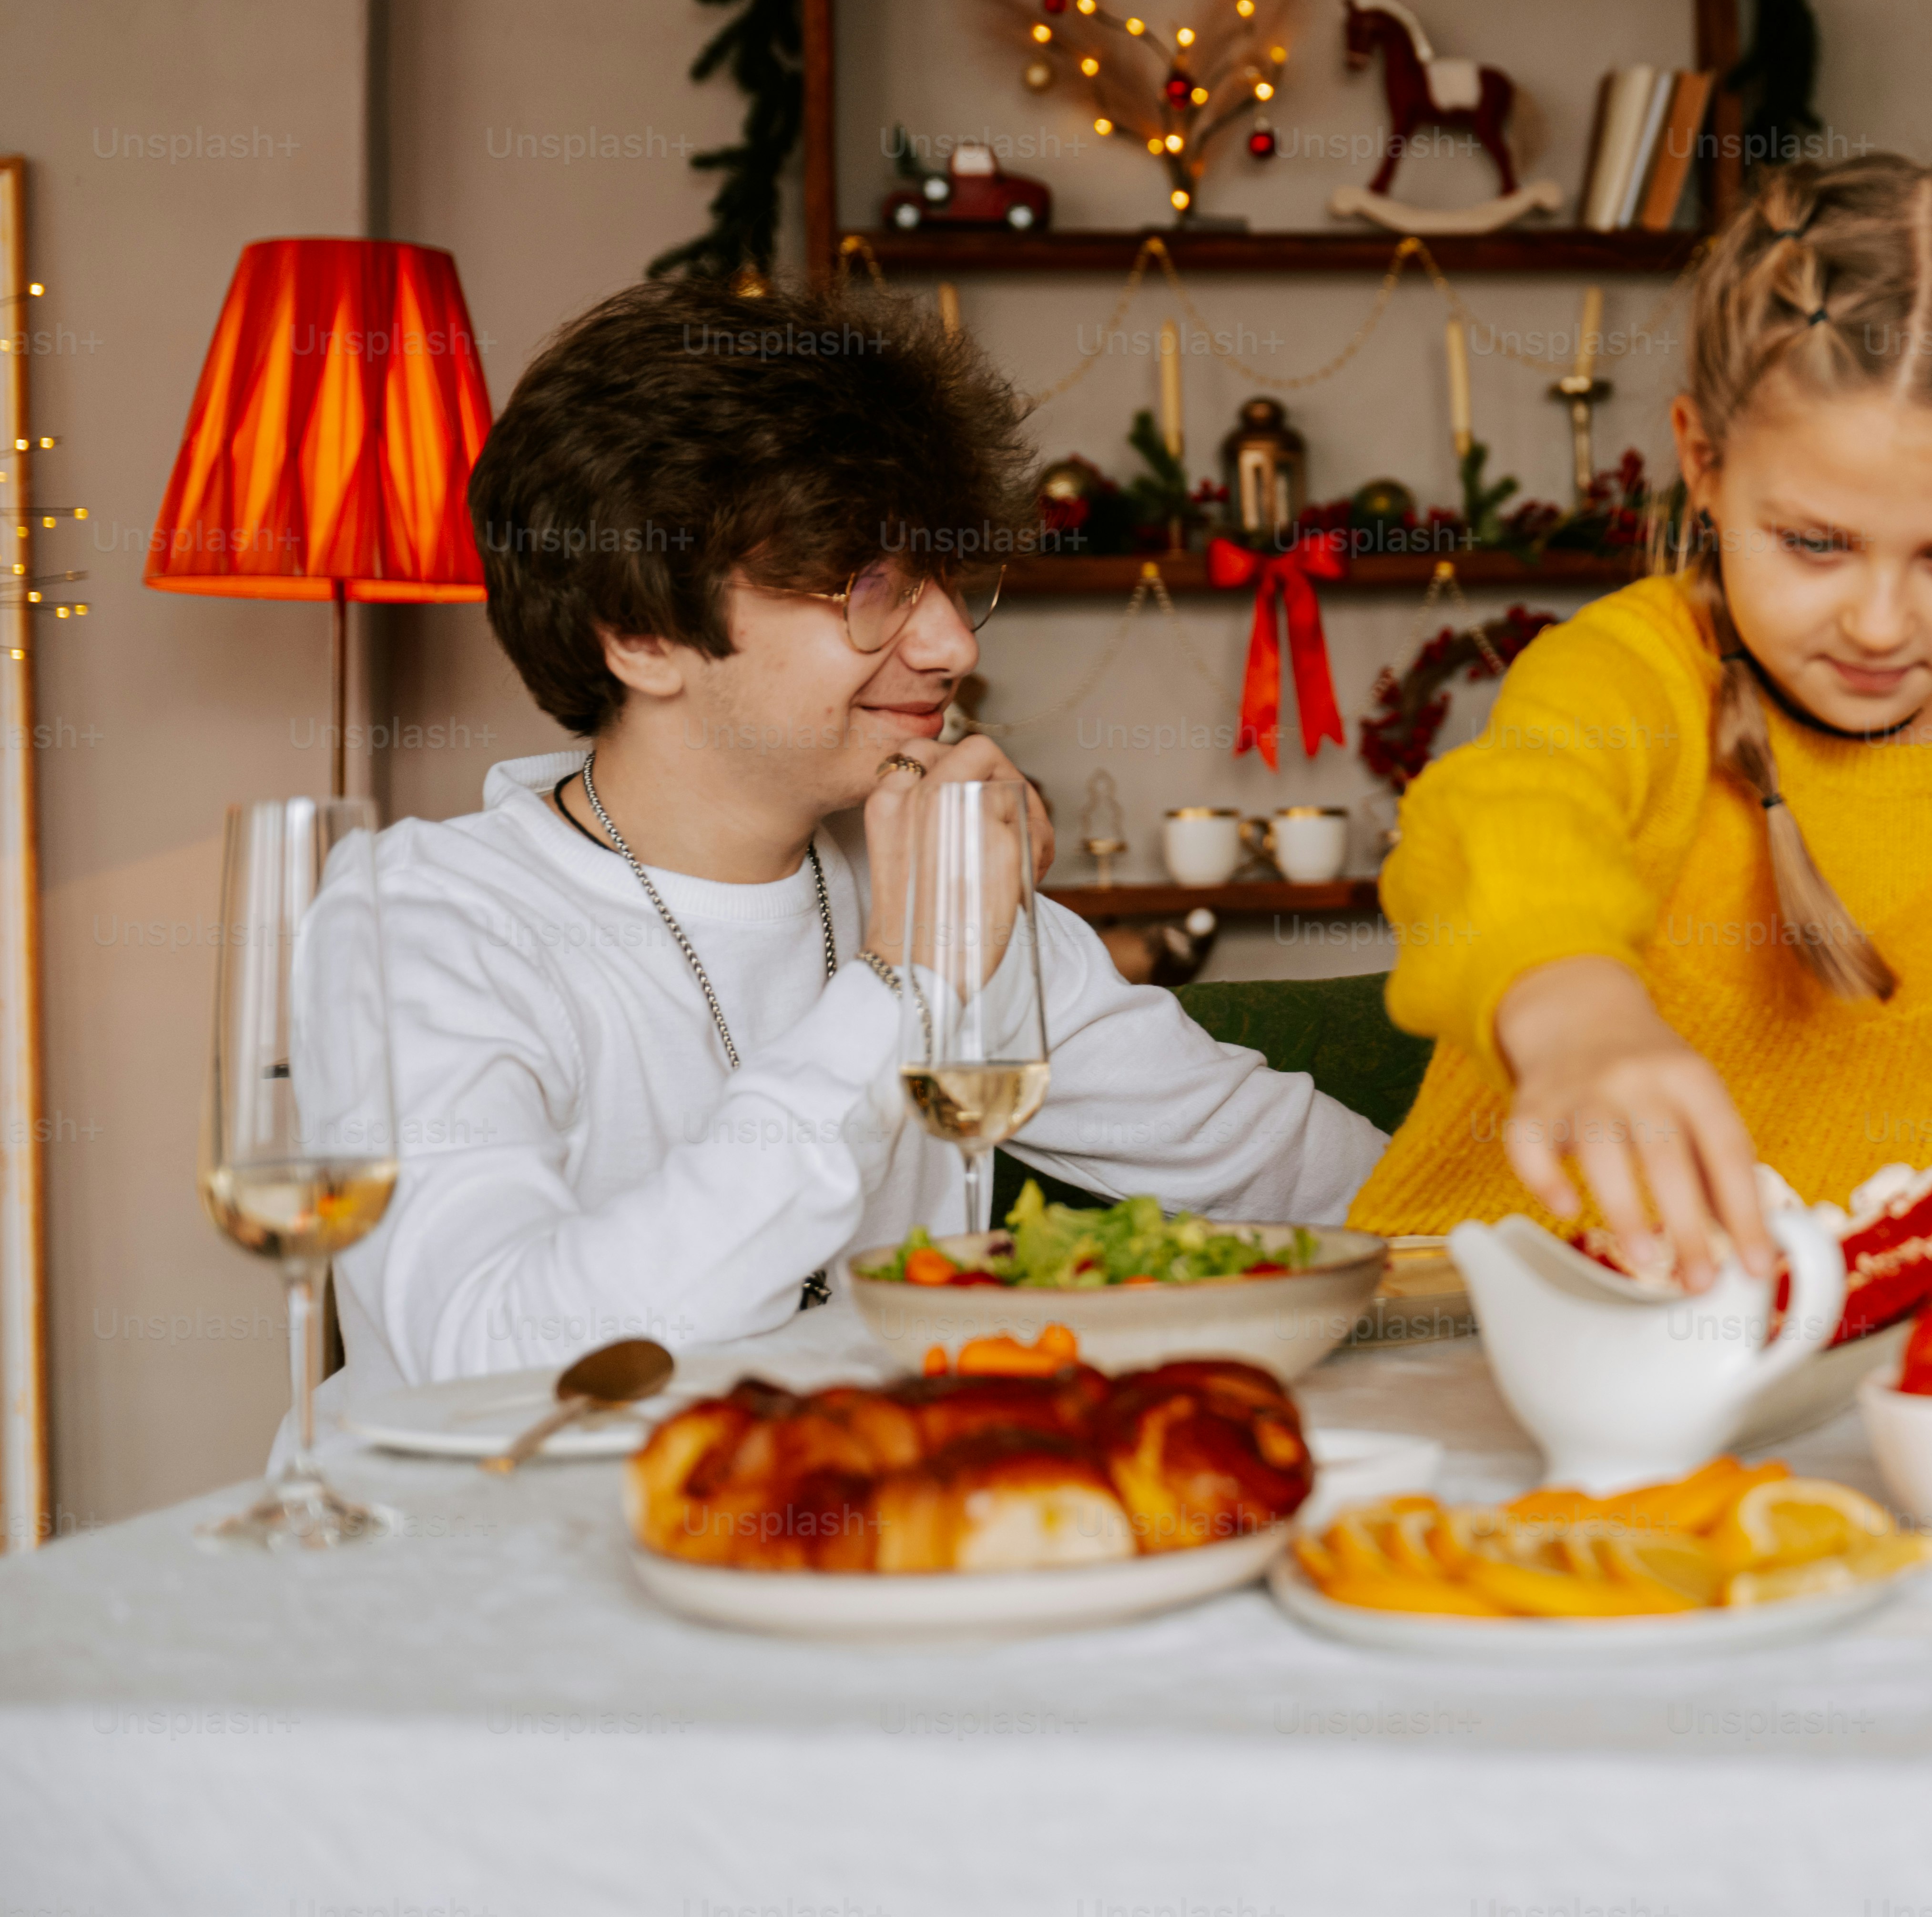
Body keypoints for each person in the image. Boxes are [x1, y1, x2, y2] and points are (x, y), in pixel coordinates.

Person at [309, 283, 1390, 1396]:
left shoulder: (920, 868)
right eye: (872, 586)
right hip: (499, 1556)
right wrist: (903, 983)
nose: (953, 643)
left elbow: (1299, 1173)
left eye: (950, 581)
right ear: (638, 632)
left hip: (857, 1535)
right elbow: (494, 1358)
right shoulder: (423, 920)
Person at [1351, 159, 1932, 1277]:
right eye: (1815, 544)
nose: (1882, 623)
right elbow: (1504, 821)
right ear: (1704, 463)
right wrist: (1573, 1013)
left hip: (1851, 1343)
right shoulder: (1634, 671)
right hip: (1490, 1322)